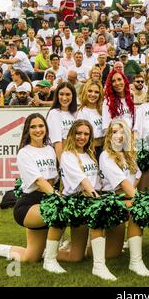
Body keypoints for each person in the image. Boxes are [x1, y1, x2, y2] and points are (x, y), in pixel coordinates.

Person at [0, 113, 61, 270]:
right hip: (29, 205)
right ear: (27, 130)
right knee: (60, 211)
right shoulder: (24, 152)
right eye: (33, 127)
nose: (38, 130)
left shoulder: (50, 150)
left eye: (41, 126)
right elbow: (39, 181)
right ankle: (50, 262)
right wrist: (58, 198)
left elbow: (54, 178)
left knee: (30, 257)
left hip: (47, 200)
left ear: (46, 128)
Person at [57, 119, 116, 279]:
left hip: (91, 197)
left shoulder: (89, 155)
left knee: (76, 256)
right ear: (72, 134)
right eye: (78, 133)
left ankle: (47, 252)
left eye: (86, 134)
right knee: (97, 214)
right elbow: (84, 181)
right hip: (78, 201)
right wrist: (97, 199)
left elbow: (97, 180)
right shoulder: (67, 155)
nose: (82, 137)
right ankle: (99, 266)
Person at [99, 119, 149, 276]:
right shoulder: (105, 155)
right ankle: (77, 248)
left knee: (113, 253)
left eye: (122, 131)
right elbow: (123, 183)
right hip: (111, 200)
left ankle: (136, 262)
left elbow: (136, 176)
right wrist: (139, 200)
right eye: (114, 132)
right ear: (109, 136)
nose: (118, 135)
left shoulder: (129, 155)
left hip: (126, 198)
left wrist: (134, 196)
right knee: (110, 253)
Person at [46, 82, 77, 161]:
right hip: (61, 157)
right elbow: (57, 143)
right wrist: (62, 166)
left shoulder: (75, 114)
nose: (64, 98)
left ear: (73, 96)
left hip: (74, 156)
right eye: (61, 94)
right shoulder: (54, 113)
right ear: (57, 95)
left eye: (68, 94)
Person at [101, 70, 135, 134]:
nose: (117, 83)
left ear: (124, 81)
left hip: (131, 138)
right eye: (113, 81)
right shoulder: (108, 101)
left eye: (119, 79)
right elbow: (106, 126)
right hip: (116, 138)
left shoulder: (132, 98)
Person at [76, 81, 104, 159]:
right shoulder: (82, 112)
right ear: (85, 92)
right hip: (91, 150)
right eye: (90, 91)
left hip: (105, 148)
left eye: (96, 92)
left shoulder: (102, 110)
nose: (93, 94)